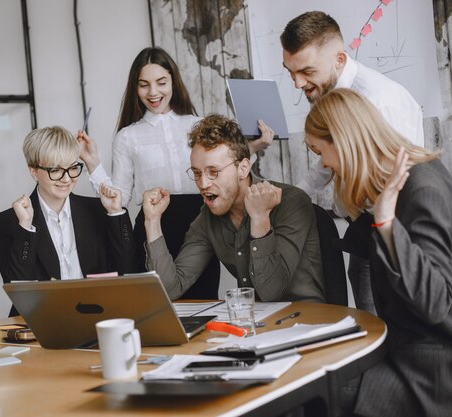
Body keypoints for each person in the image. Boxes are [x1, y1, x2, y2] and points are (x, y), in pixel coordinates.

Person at [79, 46, 274, 299]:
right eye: (144, 85)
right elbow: (120, 197)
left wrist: (256, 146)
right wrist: (93, 164)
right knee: (159, 303)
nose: (153, 92)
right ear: (135, 88)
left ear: (173, 81)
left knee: (202, 302)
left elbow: (224, 165)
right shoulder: (127, 136)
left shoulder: (196, 124)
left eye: (161, 82)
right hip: (154, 224)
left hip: (201, 222)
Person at [304, 88, 452, 416]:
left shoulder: (423, 188)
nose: (324, 164)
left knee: (313, 394)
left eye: (320, 151)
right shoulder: (397, 184)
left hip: (429, 369)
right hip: (404, 350)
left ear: (343, 142)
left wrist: (386, 223)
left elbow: (437, 303)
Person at [280, 10, 425, 313]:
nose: (297, 84)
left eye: (306, 71)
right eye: (291, 72)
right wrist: (294, 197)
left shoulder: (379, 101)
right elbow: (332, 159)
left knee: (383, 335)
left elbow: (399, 184)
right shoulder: (331, 95)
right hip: (362, 233)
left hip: (392, 238)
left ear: (340, 60)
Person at [142, 114, 325, 302]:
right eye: (197, 173)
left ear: (243, 169)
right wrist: (152, 221)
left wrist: (260, 219)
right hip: (257, 323)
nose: (203, 183)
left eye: (214, 172)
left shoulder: (292, 202)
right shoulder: (208, 216)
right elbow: (169, 290)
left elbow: (271, 292)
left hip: (306, 320)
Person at [0, 126, 136, 316]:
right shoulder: (9, 221)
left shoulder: (97, 210)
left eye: (73, 168)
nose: (67, 178)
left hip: (99, 317)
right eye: (56, 170)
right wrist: (25, 228)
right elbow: (18, 291)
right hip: (41, 322)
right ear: (34, 171)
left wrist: (116, 214)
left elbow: (129, 270)